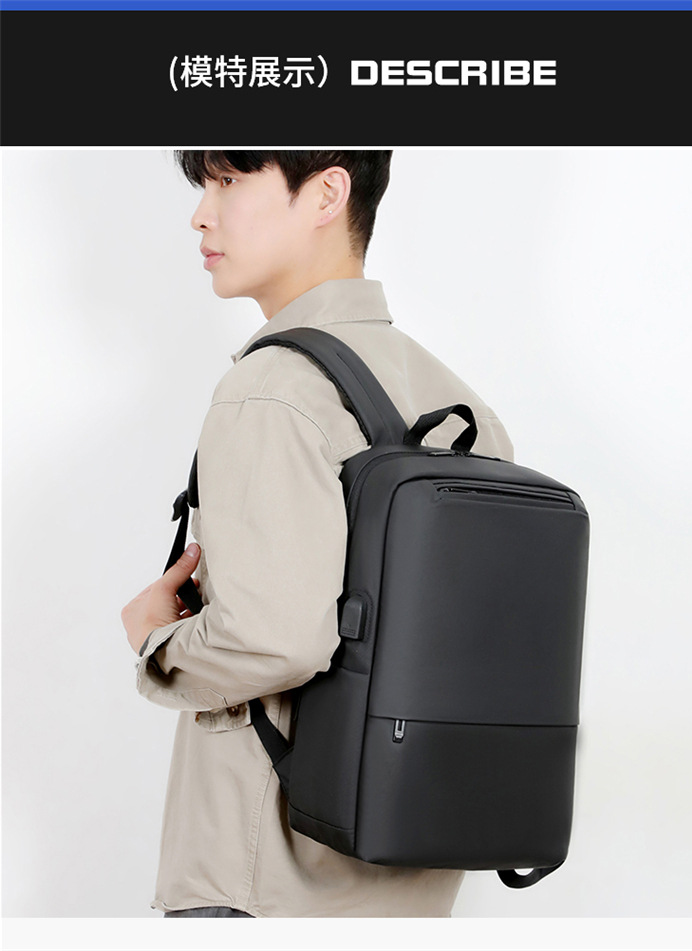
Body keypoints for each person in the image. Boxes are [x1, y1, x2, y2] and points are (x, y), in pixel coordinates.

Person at [121, 150, 514, 917]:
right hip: (414, 881)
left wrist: (157, 641)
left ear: (328, 192)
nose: (201, 214)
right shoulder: (466, 407)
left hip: (262, 883)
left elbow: (279, 638)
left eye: (229, 180)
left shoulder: (270, 390)